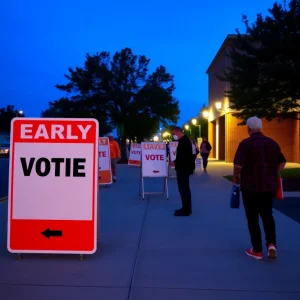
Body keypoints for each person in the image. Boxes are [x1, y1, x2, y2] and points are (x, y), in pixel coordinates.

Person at [233, 116, 286, 260]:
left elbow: (238, 165)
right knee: (268, 215)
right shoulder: (272, 143)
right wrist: (275, 172)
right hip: (268, 186)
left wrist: (235, 176)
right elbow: (282, 161)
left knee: (252, 218)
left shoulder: (246, 144)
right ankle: (271, 245)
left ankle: (257, 250)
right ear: (260, 128)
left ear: (248, 128)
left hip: (250, 187)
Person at [172, 127, 195, 216]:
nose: (173, 135)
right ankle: (184, 207)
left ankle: (186, 210)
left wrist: (175, 162)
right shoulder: (183, 141)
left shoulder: (184, 142)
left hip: (184, 169)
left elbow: (184, 157)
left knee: (184, 189)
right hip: (183, 168)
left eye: (174, 133)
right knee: (183, 189)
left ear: (178, 132)